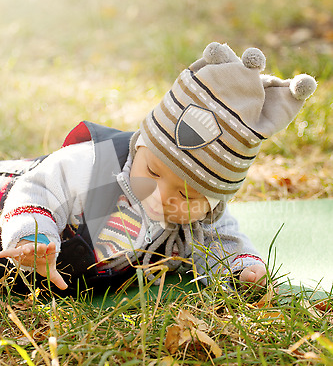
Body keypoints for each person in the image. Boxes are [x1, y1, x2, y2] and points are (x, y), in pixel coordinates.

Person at [0, 42, 316, 295]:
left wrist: (243, 268)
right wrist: (33, 237)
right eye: (152, 172)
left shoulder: (198, 219)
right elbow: (37, 188)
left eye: (187, 195)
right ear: (140, 146)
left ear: (213, 202)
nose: (162, 196)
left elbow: (221, 241)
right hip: (10, 201)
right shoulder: (95, 164)